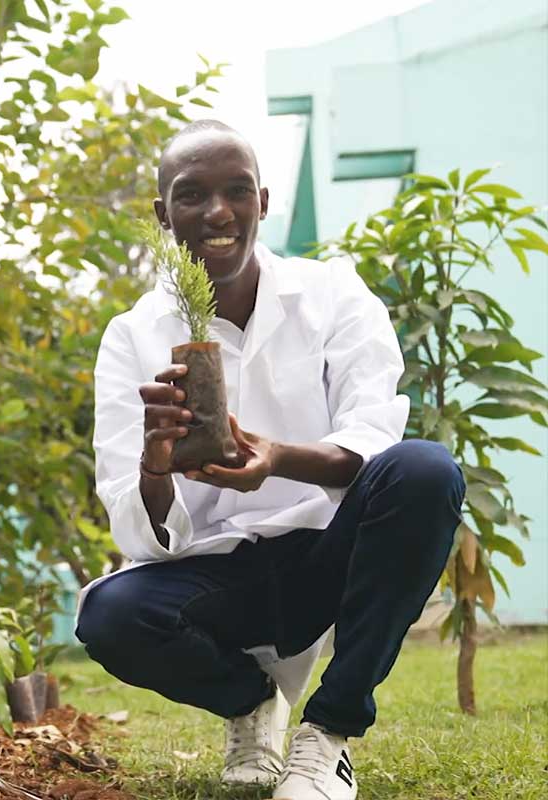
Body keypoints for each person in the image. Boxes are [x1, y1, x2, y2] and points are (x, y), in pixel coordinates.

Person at [74, 120, 464, 800]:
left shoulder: (333, 294)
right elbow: (135, 529)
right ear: (162, 214)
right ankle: (252, 705)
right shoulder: (133, 336)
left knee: (426, 472)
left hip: (326, 554)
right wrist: (154, 463)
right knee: (109, 616)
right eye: (192, 195)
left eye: (236, 191)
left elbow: (374, 436)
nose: (217, 212)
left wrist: (278, 458)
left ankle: (327, 738)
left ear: (263, 200)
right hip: (214, 574)